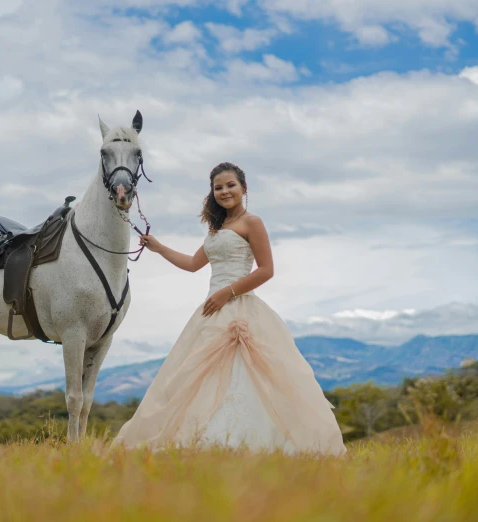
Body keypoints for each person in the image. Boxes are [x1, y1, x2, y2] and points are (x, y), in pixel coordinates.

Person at [111, 162, 346, 455]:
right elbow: (193, 265)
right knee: (196, 378)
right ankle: (204, 441)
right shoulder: (216, 229)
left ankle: (258, 444)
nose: (224, 191)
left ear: (244, 188)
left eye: (230, 185)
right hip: (212, 311)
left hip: (239, 306)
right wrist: (159, 248)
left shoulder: (252, 223)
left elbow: (266, 270)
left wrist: (227, 292)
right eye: (218, 187)